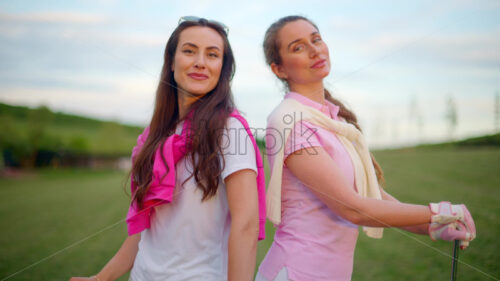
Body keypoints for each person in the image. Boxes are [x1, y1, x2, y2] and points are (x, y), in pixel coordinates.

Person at [255, 15, 476, 281]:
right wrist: (440, 211)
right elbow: (352, 207)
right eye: (298, 47)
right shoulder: (291, 122)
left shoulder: (332, 120)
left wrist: (434, 225)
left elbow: (374, 197)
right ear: (279, 69)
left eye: (316, 39)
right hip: (297, 271)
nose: (315, 50)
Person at [70, 16, 266, 281]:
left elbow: (246, 225)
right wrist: (101, 277)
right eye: (189, 51)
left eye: (212, 54)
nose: (200, 62)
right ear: (171, 63)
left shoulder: (229, 129)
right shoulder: (155, 137)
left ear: (222, 68)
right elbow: (146, 228)